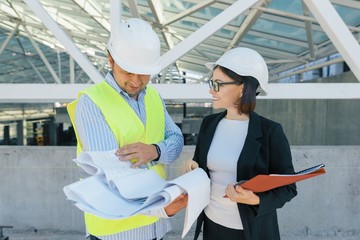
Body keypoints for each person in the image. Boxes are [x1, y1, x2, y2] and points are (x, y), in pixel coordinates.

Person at [67, 18, 186, 240]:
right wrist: (161, 206)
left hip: (155, 226)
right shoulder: (92, 102)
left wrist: (156, 150)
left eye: (143, 73)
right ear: (110, 59)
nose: (136, 80)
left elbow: (177, 140)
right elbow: (114, 172)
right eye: (128, 71)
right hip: (117, 231)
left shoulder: (154, 97)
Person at [185, 47, 297, 240]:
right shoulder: (209, 124)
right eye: (212, 82)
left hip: (251, 231)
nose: (211, 90)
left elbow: (288, 188)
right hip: (212, 226)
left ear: (243, 88)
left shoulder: (270, 131)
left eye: (218, 84)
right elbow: (201, 165)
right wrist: (194, 169)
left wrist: (255, 199)